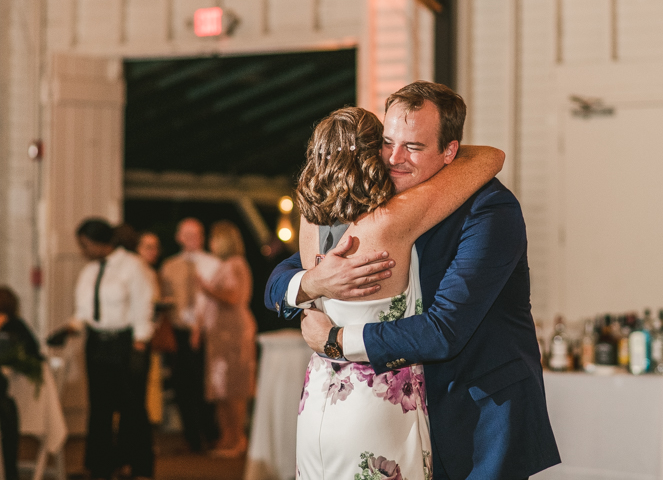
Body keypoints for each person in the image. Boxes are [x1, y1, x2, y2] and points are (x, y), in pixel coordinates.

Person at [267, 82, 560, 479]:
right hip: (405, 412)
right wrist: (311, 283)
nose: (393, 158)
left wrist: (335, 341)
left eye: (414, 147)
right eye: (387, 141)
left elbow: (444, 330)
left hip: (476, 412)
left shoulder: (491, 210)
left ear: (450, 152)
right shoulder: (382, 200)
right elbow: (286, 272)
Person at [67, 218, 155, 480]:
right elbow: (84, 309)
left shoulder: (131, 266)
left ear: (98, 242)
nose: (83, 251)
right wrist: (73, 325)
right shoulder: (90, 271)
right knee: (100, 405)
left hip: (125, 342)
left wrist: (139, 343)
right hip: (96, 342)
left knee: (132, 407)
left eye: (85, 245)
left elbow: (143, 305)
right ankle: (100, 466)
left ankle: (137, 466)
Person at [193, 221, 256, 458]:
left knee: (233, 387)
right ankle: (226, 436)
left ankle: (237, 438)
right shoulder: (226, 265)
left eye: (214, 238)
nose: (211, 243)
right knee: (220, 387)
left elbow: (233, 296)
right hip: (221, 332)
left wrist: (206, 288)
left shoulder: (236, 264)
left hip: (234, 332)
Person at [159, 218, 220, 452]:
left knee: (206, 383)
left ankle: (210, 432)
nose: (192, 239)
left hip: (207, 332)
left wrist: (199, 325)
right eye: (187, 234)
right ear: (179, 237)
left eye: (196, 234)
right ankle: (191, 437)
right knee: (183, 385)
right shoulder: (169, 266)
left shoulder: (213, 263)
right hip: (178, 332)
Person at [0, 286, 44, 480]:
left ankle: (11, 472)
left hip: (14, 396)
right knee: (8, 408)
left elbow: (35, 353)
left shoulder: (16, 328)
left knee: (8, 408)